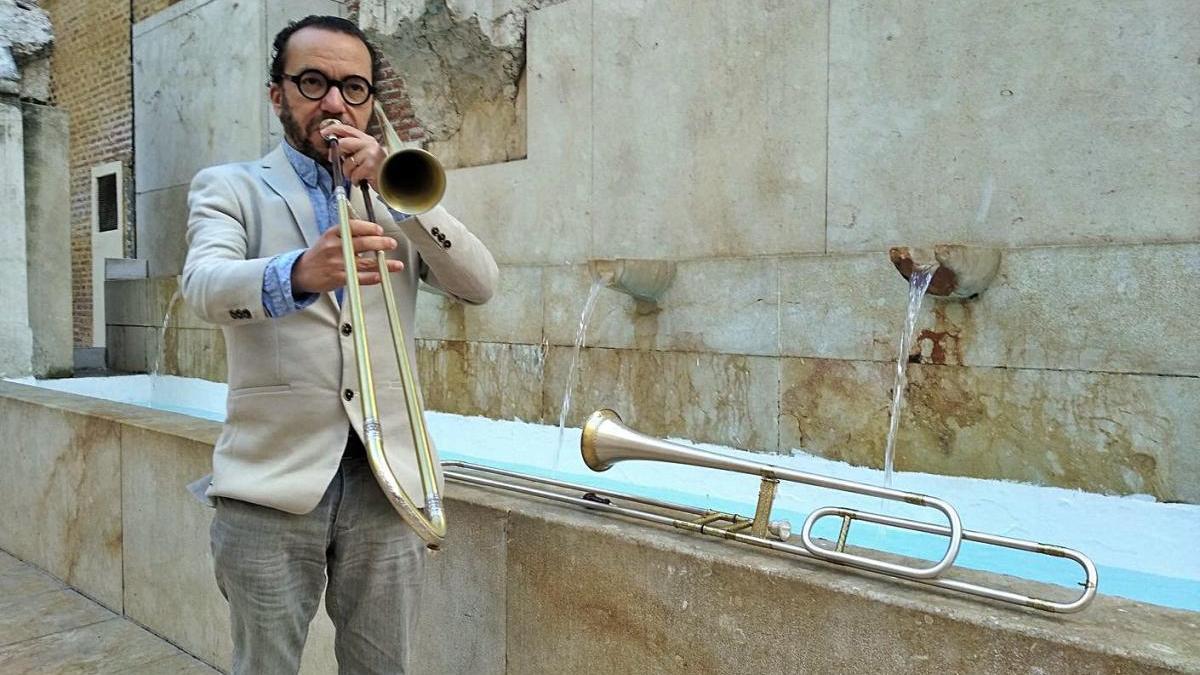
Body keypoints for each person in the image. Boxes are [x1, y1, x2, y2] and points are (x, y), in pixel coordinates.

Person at [181, 15, 498, 674]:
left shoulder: (395, 191)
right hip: (272, 486)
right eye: (313, 82)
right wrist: (297, 272)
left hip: (387, 481)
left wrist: (404, 198)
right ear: (278, 95)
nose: (334, 103)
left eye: (354, 88)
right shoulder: (232, 187)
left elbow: (480, 284)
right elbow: (203, 286)